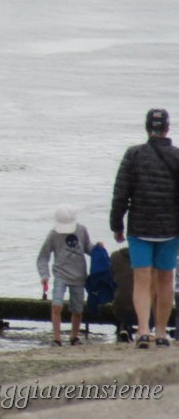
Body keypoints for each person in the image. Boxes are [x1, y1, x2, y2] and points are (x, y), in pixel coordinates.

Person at [110, 108, 179, 349]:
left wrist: (116, 225)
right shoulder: (177, 156)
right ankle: (161, 332)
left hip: (139, 228)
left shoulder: (133, 155)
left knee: (142, 279)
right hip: (170, 229)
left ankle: (142, 330)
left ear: (147, 128)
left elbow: (121, 193)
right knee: (165, 279)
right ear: (167, 129)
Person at [37, 205, 95, 346]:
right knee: (56, 305)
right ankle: (57, 339)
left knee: (77, 309)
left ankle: (74, 337)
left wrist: (98, 250)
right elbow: (43, 257)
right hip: (60, 274)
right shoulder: (53, 234)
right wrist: (44, 275)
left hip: (79, 276)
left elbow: (87, 247)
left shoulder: (81, 230)